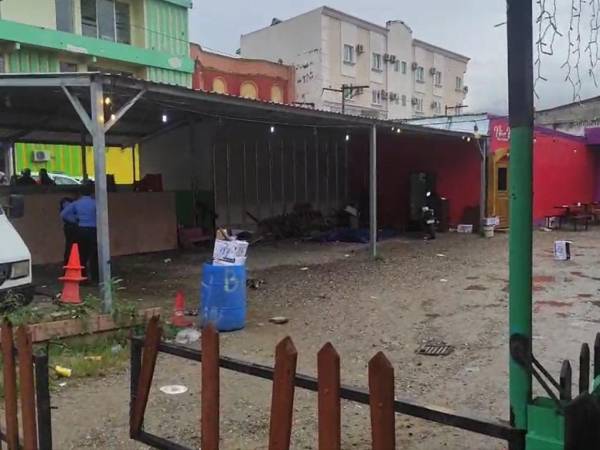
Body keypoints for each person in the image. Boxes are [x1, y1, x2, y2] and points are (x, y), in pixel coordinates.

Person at [60, 184, 97, 282]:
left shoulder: (76, 203)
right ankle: (96, 277)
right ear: (92, 192)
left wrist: (74, 220)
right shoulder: (95, 203)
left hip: (81, 229)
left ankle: (83, 277)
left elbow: (63, 214)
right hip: (93, 230)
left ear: (80, 193)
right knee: (94, 255)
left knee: (82, 255)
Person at [59, 196, 78, 266]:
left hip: (69, 226)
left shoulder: (66, 205)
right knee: (71, 246)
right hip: (71, 227)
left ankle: (68, 263)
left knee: (70, 246)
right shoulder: (69, 205)